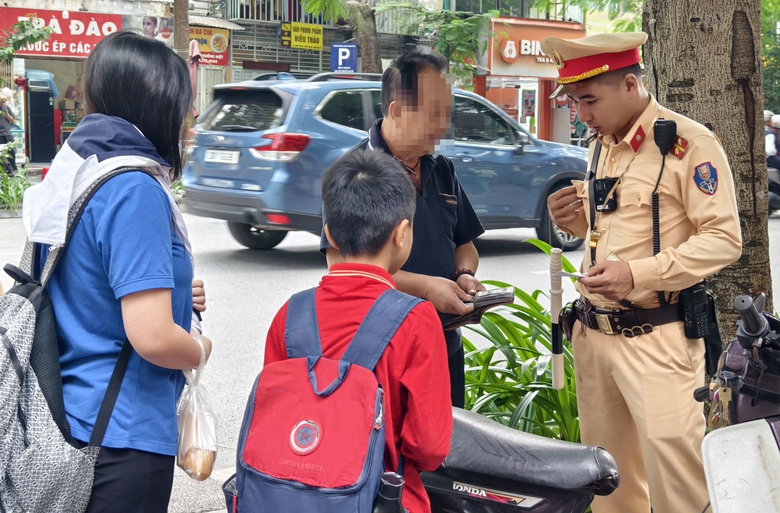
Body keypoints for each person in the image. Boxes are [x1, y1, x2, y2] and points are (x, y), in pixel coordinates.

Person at [543, 32, 741, 513]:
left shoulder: (689, 143)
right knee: (609, 486)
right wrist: (575, 218)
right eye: (574, 102)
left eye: (589, 100)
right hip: (596, 337)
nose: (582, 114)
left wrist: (637, 274)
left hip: (659, 340)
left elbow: (724, 239)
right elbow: (620, 220)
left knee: (681, 488)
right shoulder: (602, 144)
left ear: (630, 85)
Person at [21, 31, 211, 513]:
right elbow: (153, 338)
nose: (189, 116)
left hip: (67, 418)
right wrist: (199, 347)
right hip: (121, 439)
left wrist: (172, 289)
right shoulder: (134, 187)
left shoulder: (76, 172)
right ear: (155, 104)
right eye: (183, 103)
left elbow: (81, 282)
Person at [266, 149, 453, 513]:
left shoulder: (290, 314)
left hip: (289, 499)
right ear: (402, 233)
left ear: (329, 234)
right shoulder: (416, 320)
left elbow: (275, 418)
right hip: (383, 501)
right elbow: (429, 447)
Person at [321, 51, 485, 408]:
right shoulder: (356, 173)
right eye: (434, 113)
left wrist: (464, 275)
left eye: (447, 111)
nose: (444, 125)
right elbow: (341, 267)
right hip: (381, 347)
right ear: (396, 111)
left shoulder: (442, 169)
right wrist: (426, 288)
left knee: (444, 451)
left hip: (444, 344)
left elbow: (465, 244)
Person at [0, 93, 17, 176]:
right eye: (1, 102)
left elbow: (12, 120)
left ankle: (12, 169)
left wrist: (7, 115)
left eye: (3, 102)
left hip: (7, 133)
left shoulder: (6, 107)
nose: (2, 104)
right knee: (1, 154)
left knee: (11, 152)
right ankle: (2, 170)